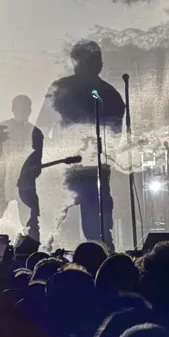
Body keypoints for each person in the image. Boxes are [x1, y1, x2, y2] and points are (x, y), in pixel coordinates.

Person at [36, 40, 125, 247]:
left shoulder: (62, 88)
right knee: (95, 229)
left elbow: (41, 126)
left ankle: (41, 259)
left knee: (52, 223)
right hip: (85, 167)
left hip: (71, 166)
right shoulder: (110, 94)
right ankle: (102, 263)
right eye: (94, 60)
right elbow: (116, 137)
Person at [0, 95, 44, 249]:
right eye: (19, 107)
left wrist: (28, 174)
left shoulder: (36, 133)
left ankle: (31, 253)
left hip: (25, 186)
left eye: (25, 108)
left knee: (31, 224)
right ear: (13, 109)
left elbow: (37, 165)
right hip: (1, 184)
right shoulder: (2, 128)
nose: (22, 111)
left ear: (30, 110)